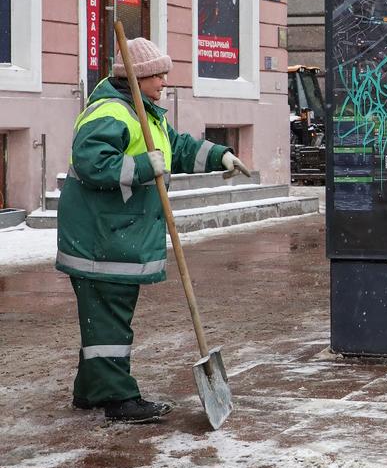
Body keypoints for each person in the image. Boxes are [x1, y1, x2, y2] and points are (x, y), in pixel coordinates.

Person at [58, 37, 250, 424]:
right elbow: (94, 163)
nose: (165, 81)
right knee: (109, 320)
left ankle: (92, 390)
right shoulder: (110, 113)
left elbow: (175, 148)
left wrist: (219, 154)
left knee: (104, 319)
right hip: (101, 240)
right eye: (158, 75)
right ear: (137, 77)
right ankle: (118, 398)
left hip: (115, 237)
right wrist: (147, 167)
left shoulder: (144, 112)